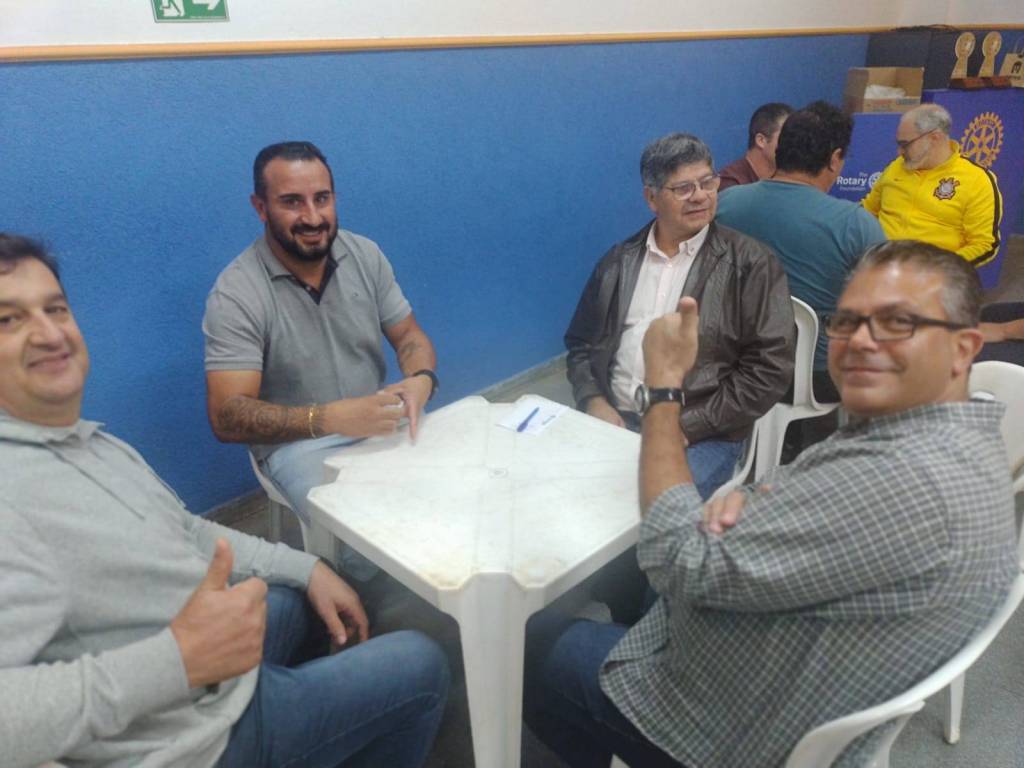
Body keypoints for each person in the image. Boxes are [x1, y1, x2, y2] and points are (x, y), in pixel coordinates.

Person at [526, 239, 1018, 768]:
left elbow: (677, 559)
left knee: (533, 640)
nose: (859, 341)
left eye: (898, 322)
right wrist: (756, 497)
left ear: (964, 349)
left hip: (727, 724)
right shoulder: (959, 435)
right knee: (630, 578)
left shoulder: (902, 482)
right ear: (652, 198)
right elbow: (583, 345)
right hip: (786, 647)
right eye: (847, 321)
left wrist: (665, 389)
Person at [0, 233, 449, 768]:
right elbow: (228, 416)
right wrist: (177, 658)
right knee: (420, 661)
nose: (50, 334)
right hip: (191, 739)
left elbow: (186, 531)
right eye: (8, 320)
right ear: (261, 208)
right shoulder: (11, 495)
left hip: (204, 672)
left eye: (55, 309)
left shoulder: (91, 442)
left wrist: (307, 568)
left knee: (306, 596)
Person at [203, 141, 438, 583]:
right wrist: (328, 418)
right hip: (298, 446)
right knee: (369, 546)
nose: (312, 217)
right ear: (260, 208)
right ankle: (380, 618)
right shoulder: (236, 293)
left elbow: (410, 337)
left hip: (378, 421)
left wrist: (422, 379)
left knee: (453, 496)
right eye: (292, 202)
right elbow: (227, 417)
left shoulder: (364, 255)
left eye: (322, 199)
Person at [564, 132, 794, 501]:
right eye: (684, 188)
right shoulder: (618, 262)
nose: (701, 196)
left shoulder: (752, 264)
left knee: (652, 508)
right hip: (615, 418)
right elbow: (581, 343)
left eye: (707, 182)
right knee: (556, 488)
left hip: (701, 431)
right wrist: (593, 399)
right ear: (651, 198)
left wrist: (687, 425)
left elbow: (770, 369)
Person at [718, 101, 886, 401]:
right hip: (815, 377)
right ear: (834, 159)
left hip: (732, 366)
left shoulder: (724, 203)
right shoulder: (857, 225)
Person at [862, 103, 1002, 268]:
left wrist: (937, 269)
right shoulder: (896, 166)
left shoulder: (977, 180)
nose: (899, 152)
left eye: (905, 144)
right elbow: (867, 211)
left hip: (932, 273)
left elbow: (985, 245)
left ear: (934, 138)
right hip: (877, 264)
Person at [717, 102, 792, 191]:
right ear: (761, 140)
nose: (794, 144)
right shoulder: (731, 184)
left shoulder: (789, 180)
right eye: (787, 137)